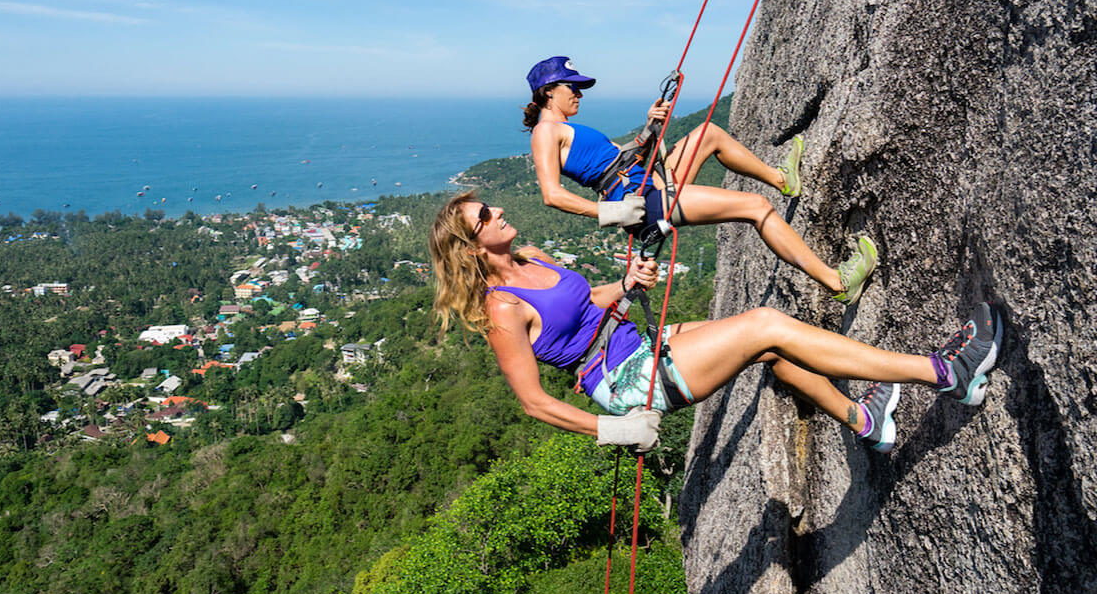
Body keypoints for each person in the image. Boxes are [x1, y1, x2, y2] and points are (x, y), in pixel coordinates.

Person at [429, 192, 1003, 452]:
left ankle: (865, 420)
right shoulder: (502, 309)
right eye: (485, 215)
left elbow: (585, 300)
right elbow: (532, 401)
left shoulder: (532, 257)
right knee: (765, 327)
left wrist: (626, 286)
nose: (498, 211)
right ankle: (945, 372)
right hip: (625, 380)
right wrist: (616, 430)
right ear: (472, 245)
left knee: (770, 351)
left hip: (638, 342)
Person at [523, 55, 877, 304]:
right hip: (639, 203)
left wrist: (649, 127)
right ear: (550, 90)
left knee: (709, 133)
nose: (580, 93)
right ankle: (837, 283)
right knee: (756, 207)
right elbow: (552, 195)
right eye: (574, 87)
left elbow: (621, 158)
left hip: (644, 183)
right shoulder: (545, 132)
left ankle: (782, 178)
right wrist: (615, 213)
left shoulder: (564, 128)